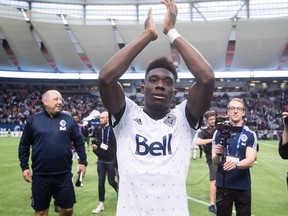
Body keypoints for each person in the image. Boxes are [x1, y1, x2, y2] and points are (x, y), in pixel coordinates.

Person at [98, 0, 215, 215]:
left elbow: (207, 79)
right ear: (143, 88)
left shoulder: (184, 118)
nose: (160, 84)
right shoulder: (126, 115)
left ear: (175, 93)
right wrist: (147, 35)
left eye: (168, 82)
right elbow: (105, 79)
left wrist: (171, 31)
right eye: (153, 80)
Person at [18, 90, 87, 216]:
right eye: (55, 99)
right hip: (40, 175)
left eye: (60, 99)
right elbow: (24, 145)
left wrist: (83, 161)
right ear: (45, 102)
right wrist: (25, 166)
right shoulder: (33, 121)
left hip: (64, 174)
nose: (60, 102)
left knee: (68, 210)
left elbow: (79, 142)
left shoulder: (68, 119)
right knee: (40, 212)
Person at [212, 98, 257, 216]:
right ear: (227, 112)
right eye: (232, 108)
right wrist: (217, 153)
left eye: (239, 109)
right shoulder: (218, 132)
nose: (235, 111)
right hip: (223, 185)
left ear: (243, 112)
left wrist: (236, 164)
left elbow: (251, 161)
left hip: (242, 186)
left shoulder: (250, 134)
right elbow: (215, 161)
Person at [91, 111, 118, 214]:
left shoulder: (113, 130)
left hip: (111, 160)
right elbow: (97, 143)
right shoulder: (99, 130)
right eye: (100, 118)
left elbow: (114, 146)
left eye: (102, 118)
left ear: (107, 118)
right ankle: (101, 204)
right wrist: (95, 147)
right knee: (100, 182)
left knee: (111, 181)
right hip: (101, 160)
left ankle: (120, 193)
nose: (100, 119)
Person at [194, 110, 217, 214]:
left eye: (214, 119)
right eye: (211, 119)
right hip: (211, 157)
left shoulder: (220, 129)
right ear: (207, 121)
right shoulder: (203, 131)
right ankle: (212, 203)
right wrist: (212, 140)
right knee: (214, 180)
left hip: (223, 156)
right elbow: (198, 141)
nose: (213, 121)